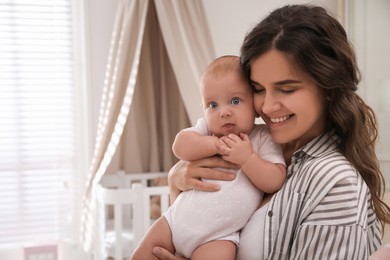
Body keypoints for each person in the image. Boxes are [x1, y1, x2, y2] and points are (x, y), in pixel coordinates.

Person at [150, 4, 390, 260]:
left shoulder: (334, 182)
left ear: (328, 89)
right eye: (258, 89)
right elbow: (206, 223)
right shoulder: (258, 145)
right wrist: (177, 185)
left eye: (286, 89)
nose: (267, 106)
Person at [131, 55, 286, 260]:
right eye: (212, 105)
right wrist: (213, 144)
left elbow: (275, 180)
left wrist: (247, 158)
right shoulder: (206, 130)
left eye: (235, 101)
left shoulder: (261, 137)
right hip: (174, 221)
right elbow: (180, 145)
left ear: (255, 107)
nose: (223, 112)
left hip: (218, 237)